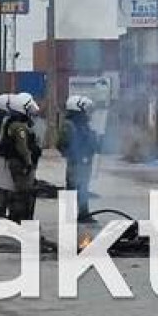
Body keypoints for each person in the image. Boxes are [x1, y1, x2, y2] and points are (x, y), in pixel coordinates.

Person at [1, 93, 43, 223]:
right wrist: (28, 163)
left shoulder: (11, 123)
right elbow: (22, 148)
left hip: (14, 163)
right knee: (23, 193)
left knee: (18, 192)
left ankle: (17, 220)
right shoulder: (19, 127)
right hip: (20, 164)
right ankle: (21, 221)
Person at [59, 94, 100, 222]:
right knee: (73, 188)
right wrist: (74, 155)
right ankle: (71, 215)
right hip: (76, 163)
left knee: (83, 188)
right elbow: (62, 144)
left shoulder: (82, 124)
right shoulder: (70, 125)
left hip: (84, 161)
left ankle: (83, 214)